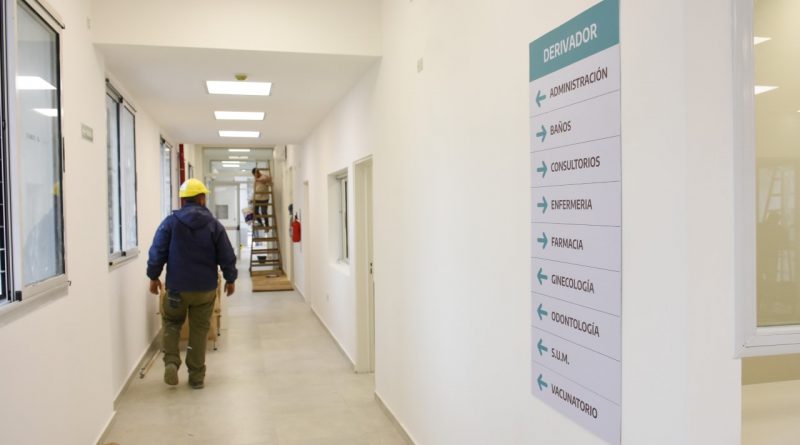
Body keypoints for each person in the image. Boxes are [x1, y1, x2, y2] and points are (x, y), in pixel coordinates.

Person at [146, 178, 238, 389]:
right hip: (205, 289)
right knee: (199, 330)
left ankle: (171, 362)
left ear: (183, 200)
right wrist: (230, 278)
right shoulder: (214, 225)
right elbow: (226, 254)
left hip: (177, 288)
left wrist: (153, 276)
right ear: (201, 198)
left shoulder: (170, 223)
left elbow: (157, 251)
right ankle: (196, 376)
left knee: (171, 323)